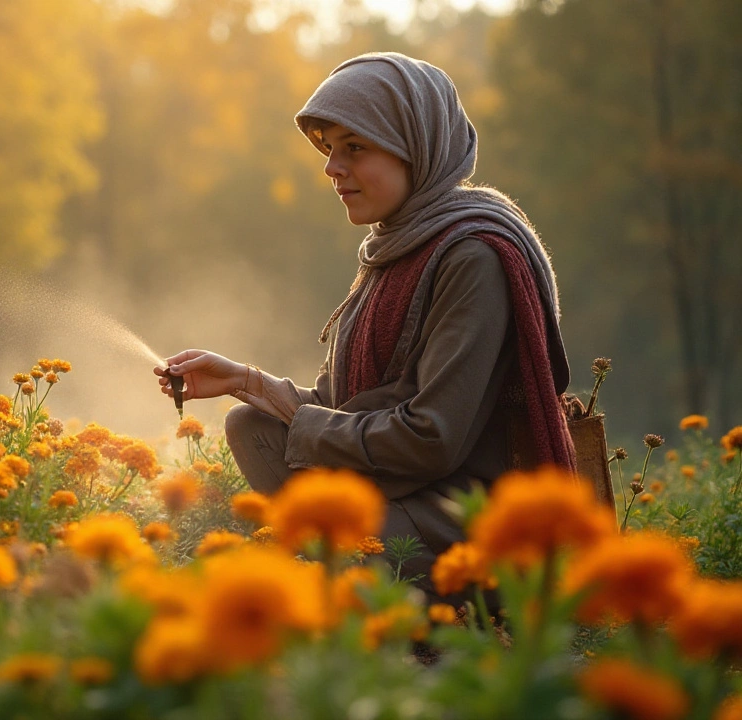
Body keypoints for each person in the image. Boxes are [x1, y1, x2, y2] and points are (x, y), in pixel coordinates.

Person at [153, 52, 577, 604]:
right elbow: (342, 404)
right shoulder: (396, 250)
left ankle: (379, 581)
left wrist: (308, 430)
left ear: (417, 148)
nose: (332, 167)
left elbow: (432, 439)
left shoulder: (473, 256)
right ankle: (336, 565)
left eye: (355, 148)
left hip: (462, 514)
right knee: (250, 426)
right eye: (330, 148)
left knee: (308, 554)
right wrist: (244, 381)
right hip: (396, 489)